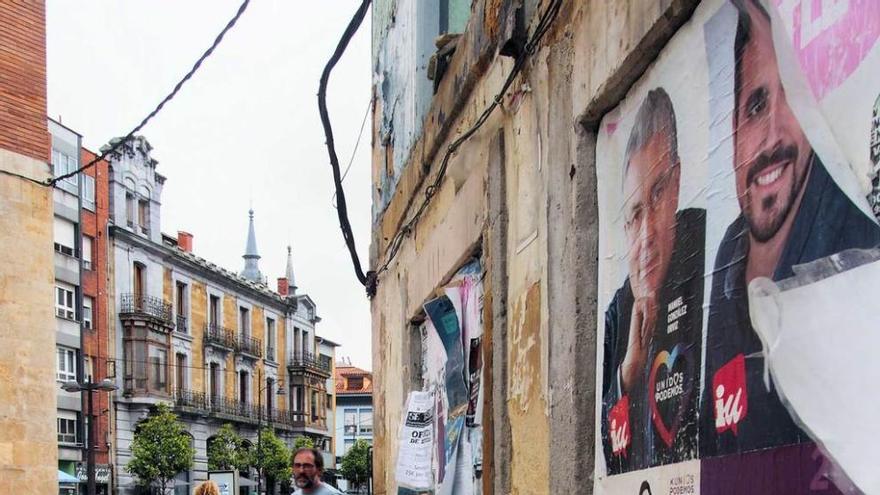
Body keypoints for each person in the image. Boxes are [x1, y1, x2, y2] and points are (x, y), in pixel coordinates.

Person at [701, 0, 880, 456]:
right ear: (733, 132)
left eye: (793, 98)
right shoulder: (725, 261)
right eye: (756, 105)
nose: (774, 134)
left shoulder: (854, 244)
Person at [602, 87, 705, 473]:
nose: (645, 235)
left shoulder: (709, 250)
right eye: (633, 215)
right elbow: (611, 459)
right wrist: (627, 375)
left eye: (658, 193)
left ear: (676, 184)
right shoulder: (617, 311)